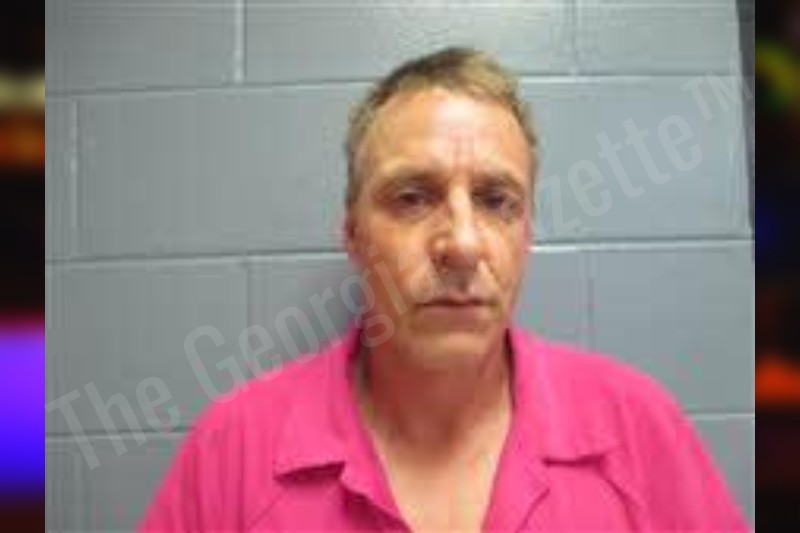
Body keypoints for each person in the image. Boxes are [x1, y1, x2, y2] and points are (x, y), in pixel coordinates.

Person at [139, 47, 749, 532]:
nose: (462, 243)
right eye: (412, 198)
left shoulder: (638, 430)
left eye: (496, 201)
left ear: (526, 236)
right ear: (353, 237)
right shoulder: (234, 451)